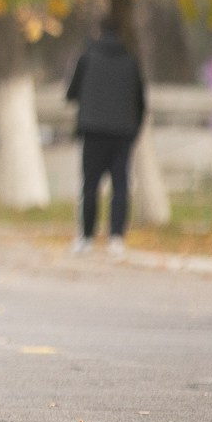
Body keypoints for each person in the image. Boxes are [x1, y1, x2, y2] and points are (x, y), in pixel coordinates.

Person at [65, 23, 146, 258]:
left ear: (97, 33)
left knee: (90, 185)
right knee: (120, 185)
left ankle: (86, 237)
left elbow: (71, 93)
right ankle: (116, 238)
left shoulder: (87, 59)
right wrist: (133, 131)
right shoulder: (130, 62)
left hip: (93, 132)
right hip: (122, 133)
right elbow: (141, 101)